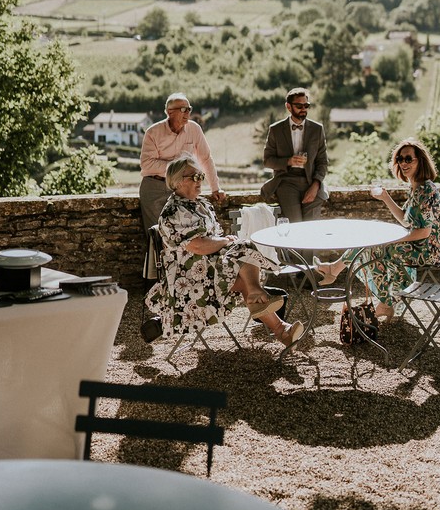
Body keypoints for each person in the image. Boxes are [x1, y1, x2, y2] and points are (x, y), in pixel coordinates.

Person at [145, 153, 304, 347]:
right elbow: (198, 246)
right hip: (189, 281)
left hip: (211, 270)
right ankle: (262, 302)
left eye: (201, 176)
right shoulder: (173, 212)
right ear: (177, 182)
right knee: (242, 250)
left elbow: (212, 239)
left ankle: (278, 326)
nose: (200, 181)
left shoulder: (201, 204)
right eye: (194, 177)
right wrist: (225, 242)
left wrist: (225, 242)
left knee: (242, 259)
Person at [314, 138, 440, 320]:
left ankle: (384, 301)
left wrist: (393, 240)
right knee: (372, 245)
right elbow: (405, 220)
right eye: (400, 159)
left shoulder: (425, 190)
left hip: (432, 251)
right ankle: (339, 272)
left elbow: (423, 232)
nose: (403, 163)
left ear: (420, 161)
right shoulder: (416, 188)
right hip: (421, 246)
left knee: (378, 248)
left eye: (408, 159)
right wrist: (385, 197)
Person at [139, 92, 225, 235]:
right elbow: (147, 164)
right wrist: (177, 168)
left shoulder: (194, 128)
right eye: (183, 109)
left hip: (184, 186)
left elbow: (205, 158)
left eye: (189, 109)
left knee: (186, 232)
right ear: (169, 112)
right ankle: (157, 258)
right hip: (155, 186)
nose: (187, 113)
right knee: (156, 234)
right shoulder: (153, 132)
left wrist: (215, 188)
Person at [260, 87, 329, 222]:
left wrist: (315, 185)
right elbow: (267, 160)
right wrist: (288, 161)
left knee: (312, 228)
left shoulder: (317, 129)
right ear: (288, 106)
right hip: (286, 182)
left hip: (311, 182)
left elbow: (323, 162)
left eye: (306, 105)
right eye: (299, 106)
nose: (303, 109)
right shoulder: (276, 130)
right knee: (295, 225)